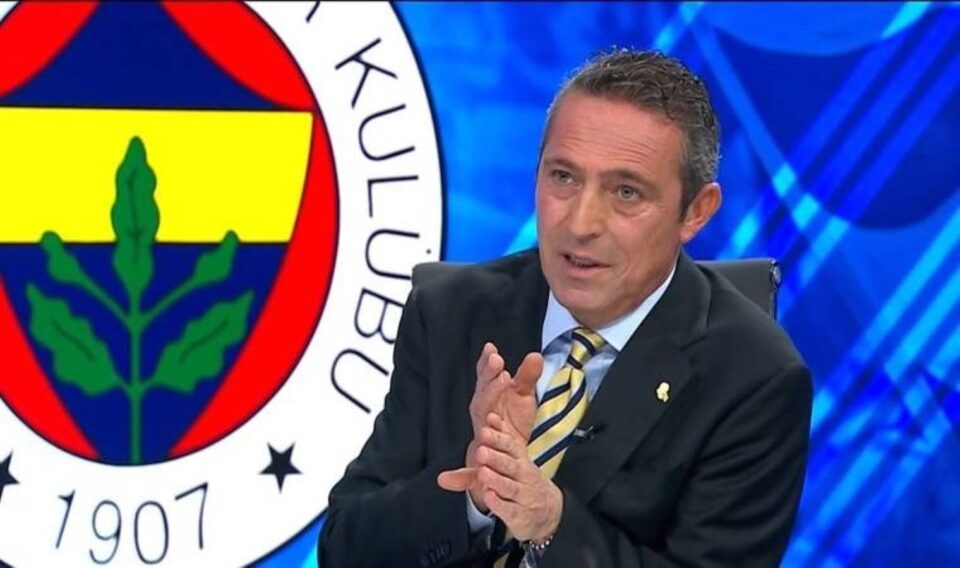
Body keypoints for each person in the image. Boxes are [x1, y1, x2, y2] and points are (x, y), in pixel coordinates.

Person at [319, 49, 812, 568]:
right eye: (564, 178)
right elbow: (345, 549)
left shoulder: (755, 378)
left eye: (626, 192)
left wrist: (551, 524)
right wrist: (475, 496)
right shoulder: (449, 314)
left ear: (696, 212)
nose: (580, 224)